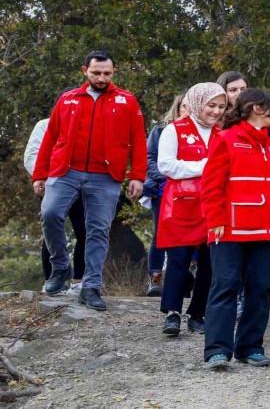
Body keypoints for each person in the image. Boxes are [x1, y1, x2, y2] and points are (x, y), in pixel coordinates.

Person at [32, 50, 146, 311]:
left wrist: (138, 176)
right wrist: (40, 173)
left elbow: (138, 141)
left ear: (113, 72)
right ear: (85, 71)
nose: (102, 78)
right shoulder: (68, 99)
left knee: (97, 230)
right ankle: (60, 267)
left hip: (105, 176)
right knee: (50, 214)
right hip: (65, 171)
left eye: (107, 73)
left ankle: (91, 286)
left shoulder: (127, 101)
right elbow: (50, 139)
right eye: (96, 73)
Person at [201, 88, 270, 370]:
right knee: (225, 285)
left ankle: (250, 347)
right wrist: (215, 220)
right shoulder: (226, 139)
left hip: (265, 231)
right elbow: (211, 185)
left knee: (262, 287)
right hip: (229, 228)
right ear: (255, 108)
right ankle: (217, 350)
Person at [156, 83, 226, 336]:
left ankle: (198, 313)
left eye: (221, 106)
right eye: (211, 105)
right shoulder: (175, 130)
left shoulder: (223, 133)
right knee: (178, 260)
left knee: (210, 263)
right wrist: (206, 166)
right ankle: (172, 313)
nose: (216, 111)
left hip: (214, 206)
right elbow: (166, 165)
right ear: (197, 103)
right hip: (182, 205)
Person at [24, 89, 86, 295]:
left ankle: (79, 281)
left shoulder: (87, 125)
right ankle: (53, 278)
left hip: (83, 186)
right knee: (51, 230)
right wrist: (44, 178)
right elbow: (32, 154)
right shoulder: (44, 125)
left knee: (84, 231)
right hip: (53, 185)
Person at [142, 93, 189, 297]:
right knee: (160, 232)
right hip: (163, 187)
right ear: (177, 108)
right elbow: (150, 157)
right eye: (184, 106)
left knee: (189, 234)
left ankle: (185, 278)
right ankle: (155, 277)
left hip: (191, 189)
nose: (187, 110)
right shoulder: (161, 131)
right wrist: (164, 176)